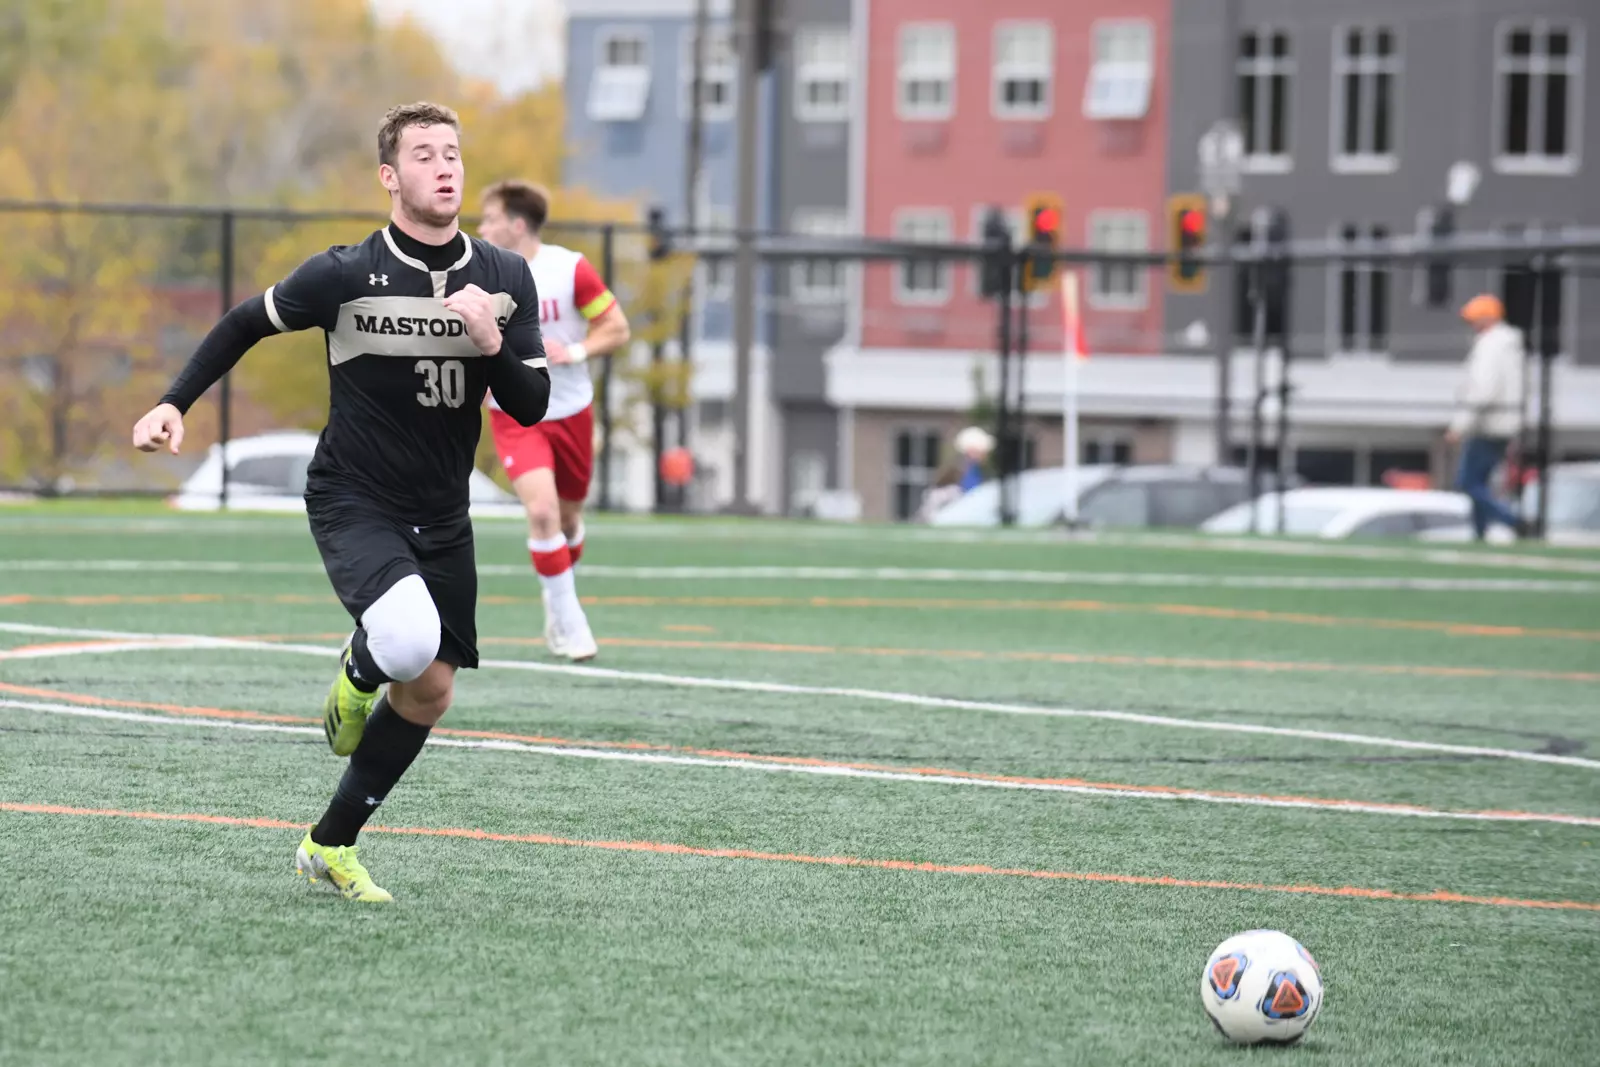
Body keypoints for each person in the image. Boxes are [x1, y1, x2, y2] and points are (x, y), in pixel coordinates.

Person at [129, 102, 551, 902]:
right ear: (390, 177)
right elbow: (243, 323)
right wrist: (173, 402)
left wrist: (490, 344)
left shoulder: (504, 277)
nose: (445, 166)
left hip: (445, 511)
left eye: (453, 152)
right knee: (402, 637)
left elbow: (529, 405)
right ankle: (359, 669)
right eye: (424, 154)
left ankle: (329, 844)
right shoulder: (345, 273)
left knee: (430, 688)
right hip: (355, 494)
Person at [477, 180, 631, 661]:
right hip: (515, 413)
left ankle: (555, 592)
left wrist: (578, 350)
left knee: (565, 521)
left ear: (516, 225)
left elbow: (617, 327)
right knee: (540, 512)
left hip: (570, 410)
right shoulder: (477, 270)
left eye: (489, 219)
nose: (481, 228)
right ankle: (569, 621)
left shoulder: (570, 269)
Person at [1445, 293, 1527, 540]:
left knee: (1468, 482)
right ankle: (1480, 532)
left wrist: (1460, 425)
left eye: (1475, 319)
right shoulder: (1507, 344)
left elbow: (1483, 389)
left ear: (1488, 318)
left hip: (1488, 424)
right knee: (1477, 481)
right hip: (1502, 423)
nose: (1472, 325)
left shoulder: (1491, 345)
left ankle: (1514, 521)